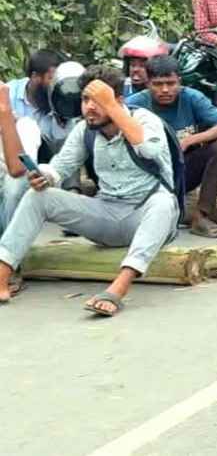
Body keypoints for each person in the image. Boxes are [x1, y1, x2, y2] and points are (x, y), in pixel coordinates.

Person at [0, 66, 178, 315]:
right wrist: (43, 177)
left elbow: (148, 150)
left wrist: (113, 108)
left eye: (99, 100)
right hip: (106, 215)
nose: (90, 108)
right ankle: (3, 274)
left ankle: (118, 288)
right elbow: (60, 168)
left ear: (119, 100)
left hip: (146, 216)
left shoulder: (146, 120)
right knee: (39, 197)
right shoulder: (85, 130)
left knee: (164, 202)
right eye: (85, 100)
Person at [126, 56, 217, 238]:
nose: (165, 90)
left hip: (182, 171)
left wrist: (189, 140)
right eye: (158, 84)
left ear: (179, 82)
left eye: (171, 83)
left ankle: (201, 217)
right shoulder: (134, 104)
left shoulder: (192, 97)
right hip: (149, 176)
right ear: (147, 83)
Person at [0, 83, 42, 232]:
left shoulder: (26, 126)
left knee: (16, 183)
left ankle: (9, 243)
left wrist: (5, 116)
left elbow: (20, 168)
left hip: (11, 187)